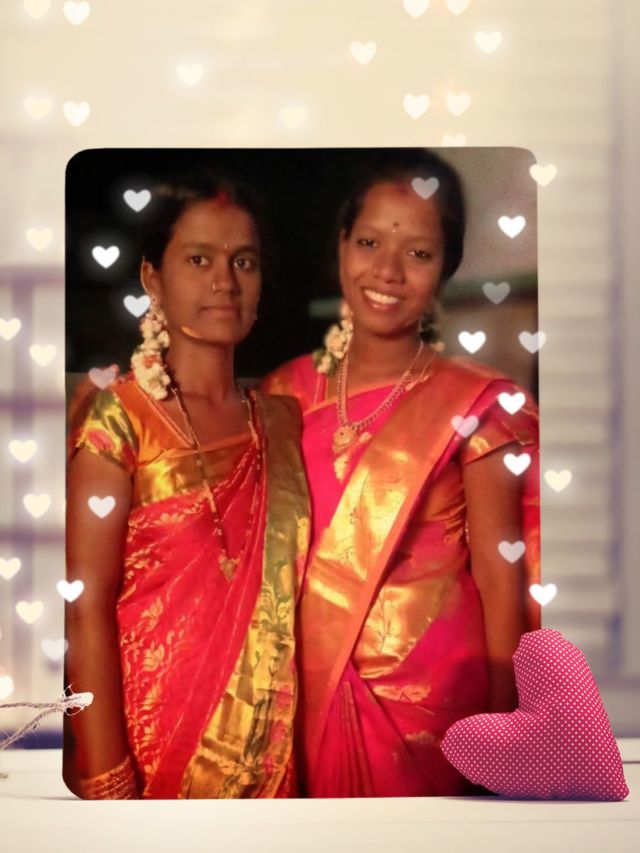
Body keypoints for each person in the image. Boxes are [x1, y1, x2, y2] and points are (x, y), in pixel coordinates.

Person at [262, 150, 541, 798]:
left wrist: (504, 739)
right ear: (340, 245)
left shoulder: (475, 405)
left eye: (418, 253)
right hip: (302, 696)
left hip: (433, 711)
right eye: (368, 243)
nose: (387, 271)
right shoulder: (284, 394)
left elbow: (501, 579)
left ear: (447, 266)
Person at [64, 170, 310, 799]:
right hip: (148, 753)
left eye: (243, 262)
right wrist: (107, 782)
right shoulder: (119, 419)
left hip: (270, 756)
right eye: (199, 259)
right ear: (153, 279)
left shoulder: (282, 423)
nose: (225, 281)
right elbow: (84, 608)